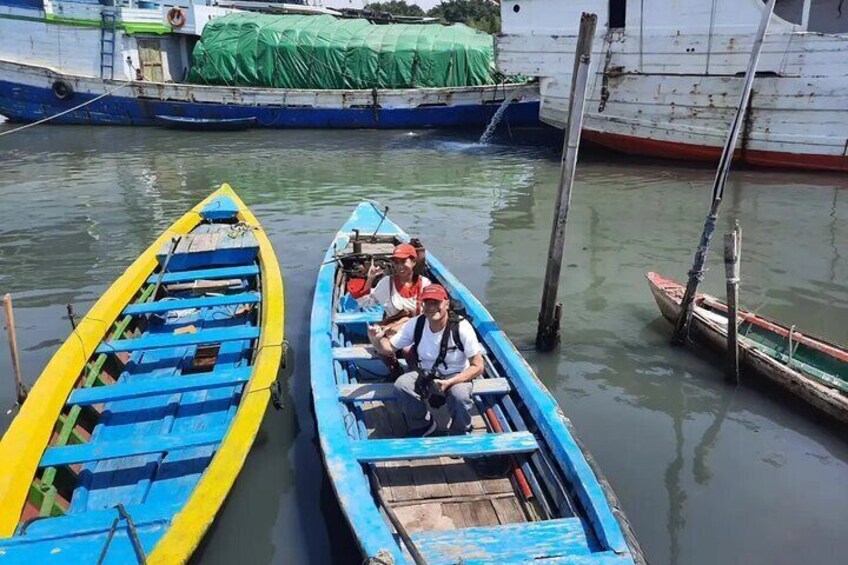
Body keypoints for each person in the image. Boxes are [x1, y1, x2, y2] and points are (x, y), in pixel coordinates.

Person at [368, 284, 485, 437]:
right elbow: (388, 348)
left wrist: (449, 382)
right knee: (402, 385)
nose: (431, 307)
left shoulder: (462, 327)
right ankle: (421, 425)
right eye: (427, 303)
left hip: (456, 375)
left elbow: (478, 366)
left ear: (446, 304)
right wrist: (375, 339)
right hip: (426, 373)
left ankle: (460, 431)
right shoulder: (417, 323)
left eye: (436, 303)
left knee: (460, 396)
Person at [351, 242, 430, 336]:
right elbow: (366, 303)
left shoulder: (425, 284)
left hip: (418, 332)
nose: (400, 266)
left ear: (413, 262)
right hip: (393, 333)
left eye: (403, 261)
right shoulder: (387, 283)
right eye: (396, 262)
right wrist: (370, 278)